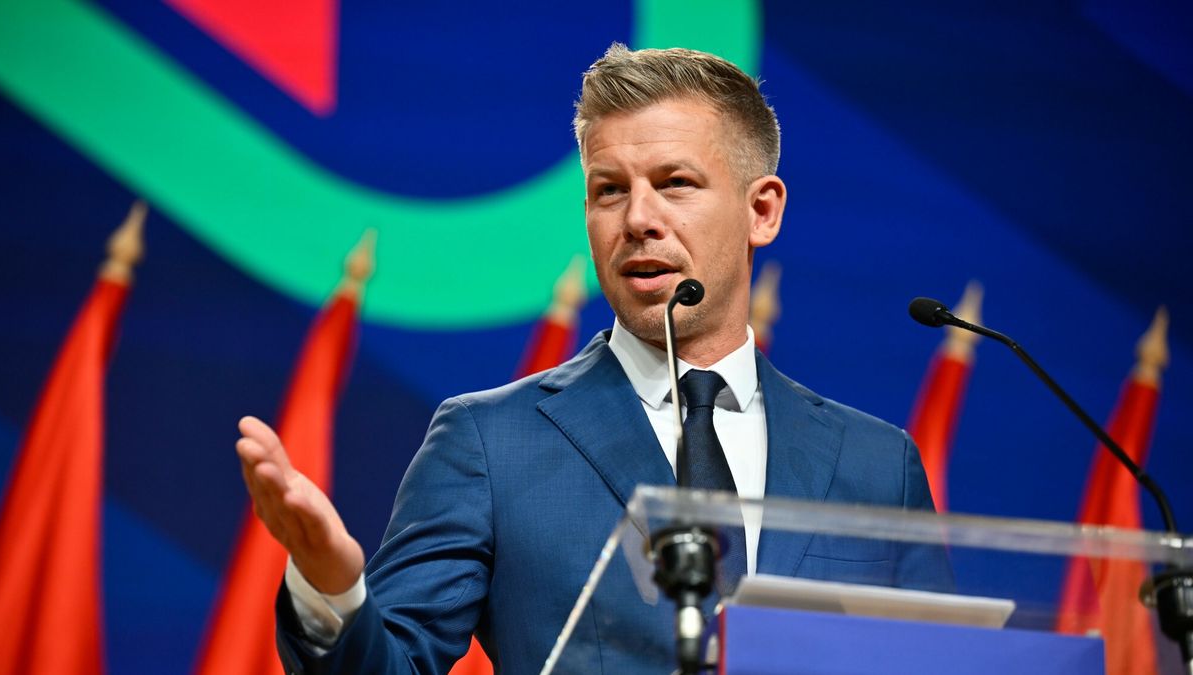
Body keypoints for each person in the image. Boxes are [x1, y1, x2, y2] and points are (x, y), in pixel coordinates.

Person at [236, 44, 950, 675]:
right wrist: (333, 586)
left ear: (762, 210)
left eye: (674, 183)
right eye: (610, 190)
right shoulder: (490, 444)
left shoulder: (875, 464)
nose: (637, 218)